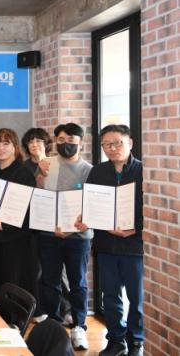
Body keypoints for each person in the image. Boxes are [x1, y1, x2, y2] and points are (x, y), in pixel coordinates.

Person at [75, 125, 144, 356]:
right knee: (110, 296)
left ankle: (136, 342)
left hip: (134, 246)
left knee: (136, 297)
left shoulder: (143, 171)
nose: (112, 148)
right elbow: (91, 204)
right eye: (107, 145)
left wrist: (135, 229)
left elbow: (150, 208)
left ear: (130, 143)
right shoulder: (98, 171)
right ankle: (116, 340)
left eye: (117, 143)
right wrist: (85, 219)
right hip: (106, 245)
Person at [36, 123, 92, 350]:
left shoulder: (89, 170)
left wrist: (75, 227)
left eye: (71, 140)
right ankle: (54, 325)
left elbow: (93, 204)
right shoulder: (46, 164)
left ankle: (79, 326)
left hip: (78, 237)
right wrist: (40, 175)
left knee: (78, 282)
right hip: (48, 234)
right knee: (49, 280)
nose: (65, 144)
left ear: (80, 142)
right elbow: (39, 194)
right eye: (61, 140)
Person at [0, 128, 38, 303]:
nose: (0, 148)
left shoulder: (24, 173)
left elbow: (28, 210)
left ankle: (12, 318)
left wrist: (5, 226)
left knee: (12, 281)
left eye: (6, 143)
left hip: (16, 240)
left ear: (15, 147)